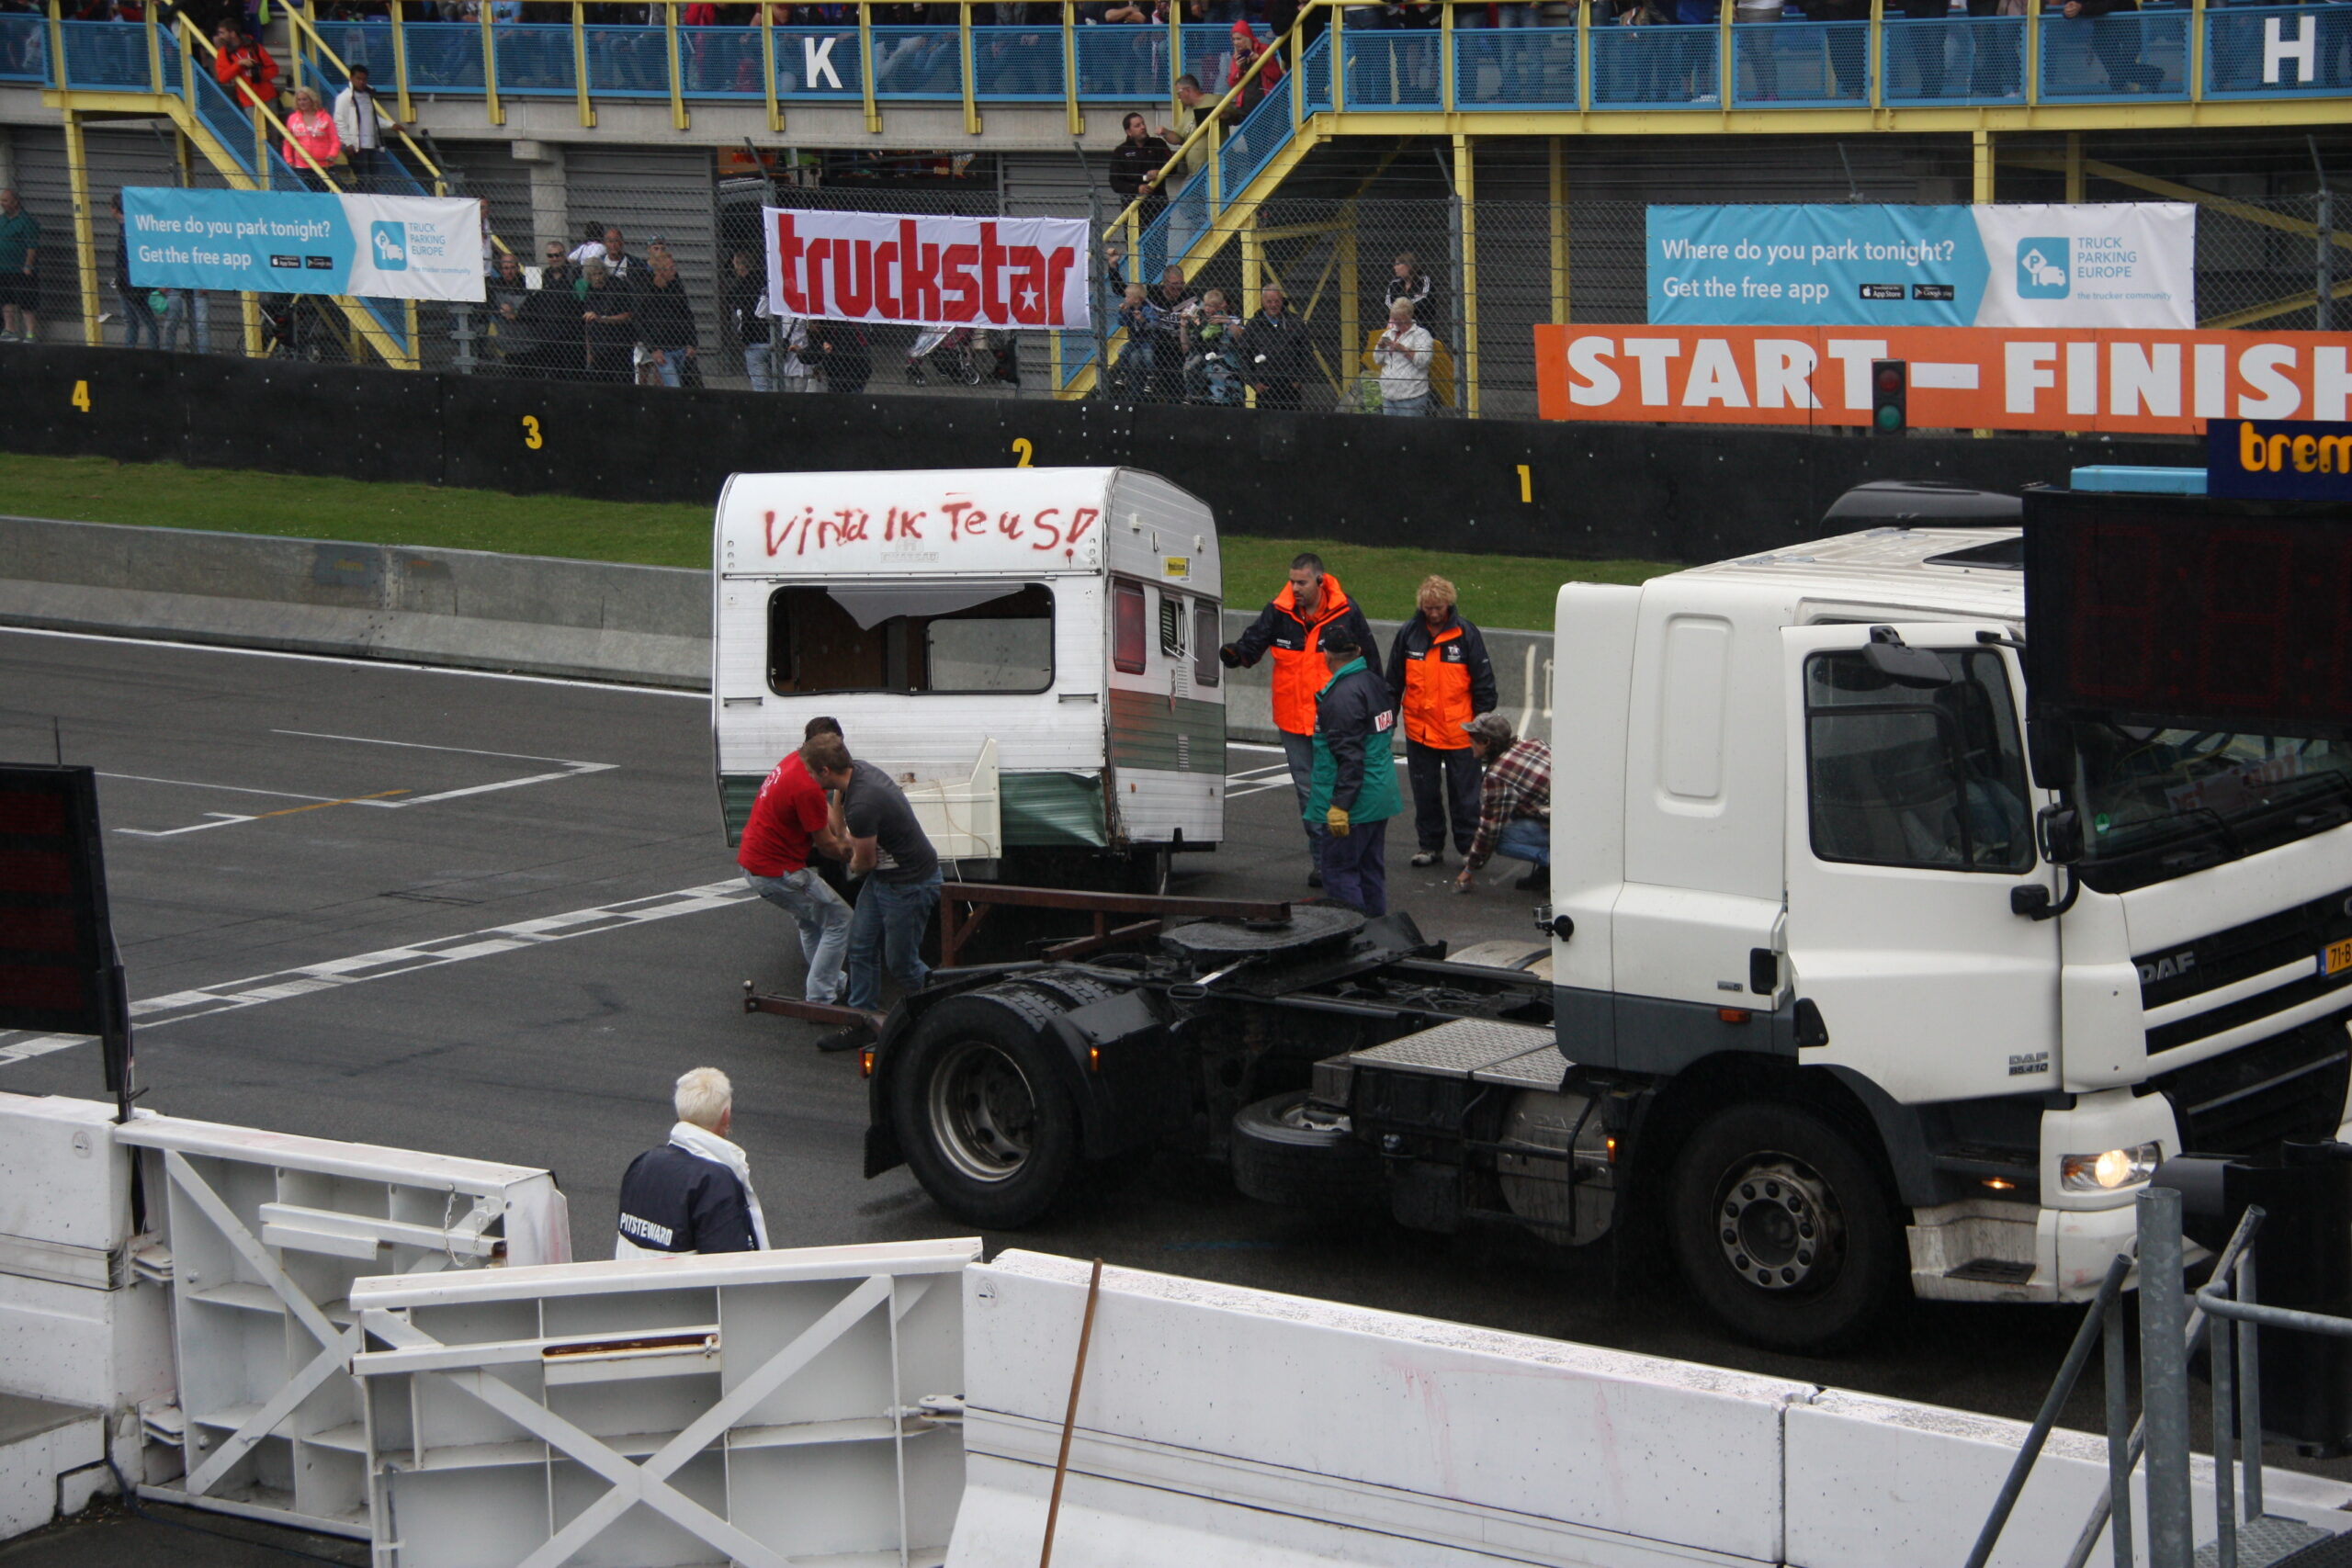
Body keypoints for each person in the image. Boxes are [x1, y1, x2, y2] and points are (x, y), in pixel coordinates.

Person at [1220, 552, 1375, 886]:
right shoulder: (1279, 610)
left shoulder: (1346, 611)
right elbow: (1252, 645)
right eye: (1291, 582)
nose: (1294, 589)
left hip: (1335, 721)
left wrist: (1376, 708)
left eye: (1301, 583)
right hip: (1292, 719)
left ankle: (1348, 860)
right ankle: (1324, 863)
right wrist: (1235, 655)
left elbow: (1370, 662)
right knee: (1309, 793)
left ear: (1319, 581)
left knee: (1344, 789)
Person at [801, 733, 943, 1050]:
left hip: (909, 884)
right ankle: (862, 1022)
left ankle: (948, 1013)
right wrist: (842, 834)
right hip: (885, 877)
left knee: (902, 964)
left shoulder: (864, 804)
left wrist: (843, 854)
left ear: (825, 771)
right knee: (860, 947)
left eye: (811, 772)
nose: (808, 777)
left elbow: (864, 862)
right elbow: (840, 799)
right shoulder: (856, 773)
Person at [738, 734, 854, 1021]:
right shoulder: (807, 788)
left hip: (755, 863)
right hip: (779, 872)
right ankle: (820, 999)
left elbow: (822, 810)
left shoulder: (795, 761)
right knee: (841, 918)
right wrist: (857, 855)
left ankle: (832, 984)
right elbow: (827, 846)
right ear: (825, 768)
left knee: (810, 922)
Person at [1385, 575, 1497, 868]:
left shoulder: (1466, 634)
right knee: (1425, 793)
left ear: (1449, 604)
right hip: (1420, 731)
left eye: (1438, 608)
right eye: (1428, 608)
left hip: (1460, 732)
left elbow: (1484, 684)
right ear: (1421, 606)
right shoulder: (1408, 633)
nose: (1433, 613)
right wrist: (1387, 720)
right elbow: (1393, 681)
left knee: (1465, 797)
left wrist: (1480, 727)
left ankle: (1469, 849)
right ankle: (1430, 846)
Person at [614, 1066, 769, 1257]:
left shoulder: (642, 1164)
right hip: (679, 1278)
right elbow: (729, 1264)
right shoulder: (714, 1182)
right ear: (726, 1115)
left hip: (632, 1276)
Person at [1305, 625, 1403, 917]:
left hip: (1355, 803)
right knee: (1370, 869)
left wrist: (1340, 806)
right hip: (1379, 793)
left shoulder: (1341, 696)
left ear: (1327, 655)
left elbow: (1349, 758)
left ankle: (1355, 932)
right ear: (1358, 651)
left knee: (1339, 873)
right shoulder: (1374, 683)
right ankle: (1377, 930)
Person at [1453, 711, 1552, 895]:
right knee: (1519, 809)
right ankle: (1546, 874)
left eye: (1473, 738)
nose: (1469, 741)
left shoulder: (1497, 777)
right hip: (1580, 815)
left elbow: (1489, 831)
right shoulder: (1534, 743)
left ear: (1486, 742)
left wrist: (1470, 869)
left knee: (1500, 838)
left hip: (1564, 825)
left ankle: (1555, 864)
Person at [1238, 284, 1311, 410]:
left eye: (1277, 301)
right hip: (1265, 387)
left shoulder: (1295, 322)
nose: (1273, 305)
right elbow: (1244, 355)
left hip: (1290, 387)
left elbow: (1306, 352)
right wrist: (1254, 383)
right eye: (1269, 301)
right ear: (1263, 302)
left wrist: (1298, 379)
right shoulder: (1254, 325)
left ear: (1282, 301)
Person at [637, 243, 698, 388]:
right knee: (673, 384)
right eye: (670, 268)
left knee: (684, 383)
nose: (674, 271)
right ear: (661, 271)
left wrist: (692, 343)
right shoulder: (647, 290)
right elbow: (639, 320)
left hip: (681, 346)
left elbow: (687, 314)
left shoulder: (676, 286)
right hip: (663, 350)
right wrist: (653, 349)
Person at [1367, 297, 1434, 415]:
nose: (1396, 323)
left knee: (1410, 427)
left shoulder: (1421, 334)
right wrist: (1380, 347)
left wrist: (1402, 349)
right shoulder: (1388, 334)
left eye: (1400, 319)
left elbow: (1423, 361)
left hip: (1412, 397)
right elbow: (1378, 360)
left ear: (1409, 316)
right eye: (1394, 319)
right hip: (1388, 396)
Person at [108, 193, 158, 351]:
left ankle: (151, 351)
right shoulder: (127, 226)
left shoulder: (129, 229)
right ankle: (131, 350)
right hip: (126, 282)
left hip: (132, 284)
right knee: (132, 320)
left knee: (146, 321)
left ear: (115, 209)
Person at [1108, 110, 1172, 222]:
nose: (1143, 127)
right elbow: (1115, 182)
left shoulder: (1158, 144)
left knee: (1160, 233)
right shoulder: (1121, 151)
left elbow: (1173, 167)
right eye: (1137, 126)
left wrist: (1159, 171)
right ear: (1129, 132)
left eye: (1143, 123)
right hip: (1133, 208)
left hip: (1158, 206)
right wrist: (1137, 188)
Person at [580, 257, 636, 381]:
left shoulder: (617, 286)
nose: (597, 278)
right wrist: (589, 352)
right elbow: (588, 325)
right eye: (593, 275)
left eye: (600, 273)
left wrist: (602, 319)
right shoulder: (590, 291)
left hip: (619, 347)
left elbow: (627, 315)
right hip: (599, 348)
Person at [332, 63, 385, 192]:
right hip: (357, 147)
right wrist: (348, 143)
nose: (361, 82)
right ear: (351, 78)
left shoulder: (368, 95)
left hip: (371, 144)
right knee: (363, 180)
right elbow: (339, 121)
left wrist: (391, 125)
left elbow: (372, 119)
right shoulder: (345, 97)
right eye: (358, 79)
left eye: (364, 79)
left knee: (374, 179)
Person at [211, 21, 280, 112]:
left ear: (233, 33)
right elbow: (222, 78)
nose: (220, 36)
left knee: (273, 122)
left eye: (222, 33)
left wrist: (260, 74)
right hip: (248, 100)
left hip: (267, 96)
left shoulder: (254, 46)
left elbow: (274, 69)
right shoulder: (223, 53)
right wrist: (238, 64)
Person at [283, 85, 343, 187]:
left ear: (312, 100)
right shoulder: (292, 119)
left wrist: (332, 154)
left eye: (305, 99)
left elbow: (335, 140)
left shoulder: (326, 117)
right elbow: (288, 142)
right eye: (299, 100)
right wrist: (289, 159)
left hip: (324, 165)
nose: (302, 102)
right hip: (302, 166)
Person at [0, 187, 37, 344]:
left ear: (15, 202)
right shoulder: (2, 220)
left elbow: (32, 246)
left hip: (20, 269)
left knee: (26, 302)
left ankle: (30, 333)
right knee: (6, 300)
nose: (2, 203)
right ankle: (10, 330)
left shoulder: (26, 221)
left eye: (5, 200)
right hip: (3, 268)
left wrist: (28, 265)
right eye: (1, 200)